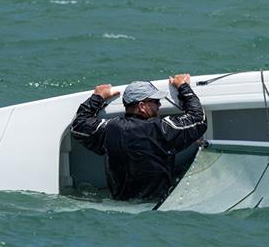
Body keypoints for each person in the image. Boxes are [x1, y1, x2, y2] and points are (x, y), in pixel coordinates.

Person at [70, 75, 207, 205]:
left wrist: (97, 97)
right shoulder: (161, 129)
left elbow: (78, 126)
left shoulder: (109, 129)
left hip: (120, 203)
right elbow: (199, 120)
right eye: (155, 101)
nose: (159, 105)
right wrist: (183, 87)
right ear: (142, 106)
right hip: (158, 204)